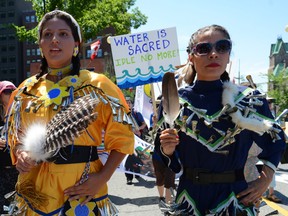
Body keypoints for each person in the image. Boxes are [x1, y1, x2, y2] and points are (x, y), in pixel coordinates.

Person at [6, 10, 134, 215]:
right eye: (47, 35)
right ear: (40, 43)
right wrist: (20, 153)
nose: (54, 40)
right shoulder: (24, 90)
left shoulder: (98, 85)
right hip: (35, 190)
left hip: (82, 187)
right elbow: (16, 136)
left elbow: (124, 139)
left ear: (76, 43)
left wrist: (102, 178)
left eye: (63, 34)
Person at [155, 24, 286, 215]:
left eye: (222, 47)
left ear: (228, 54)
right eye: (204, 48)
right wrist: (168, 150)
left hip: (235, 198)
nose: (214, 54)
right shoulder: (174, 102)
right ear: (191, 56)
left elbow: (277, 141)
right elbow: (165, 161)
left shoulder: (249, 100)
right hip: (190, 197)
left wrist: (264, 180)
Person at [0, 81, 18, 213]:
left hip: (18, 170)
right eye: (6, 91)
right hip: (1, 171)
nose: (10, 93)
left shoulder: (21, 113)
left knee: (18, 207)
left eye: (12, 90)